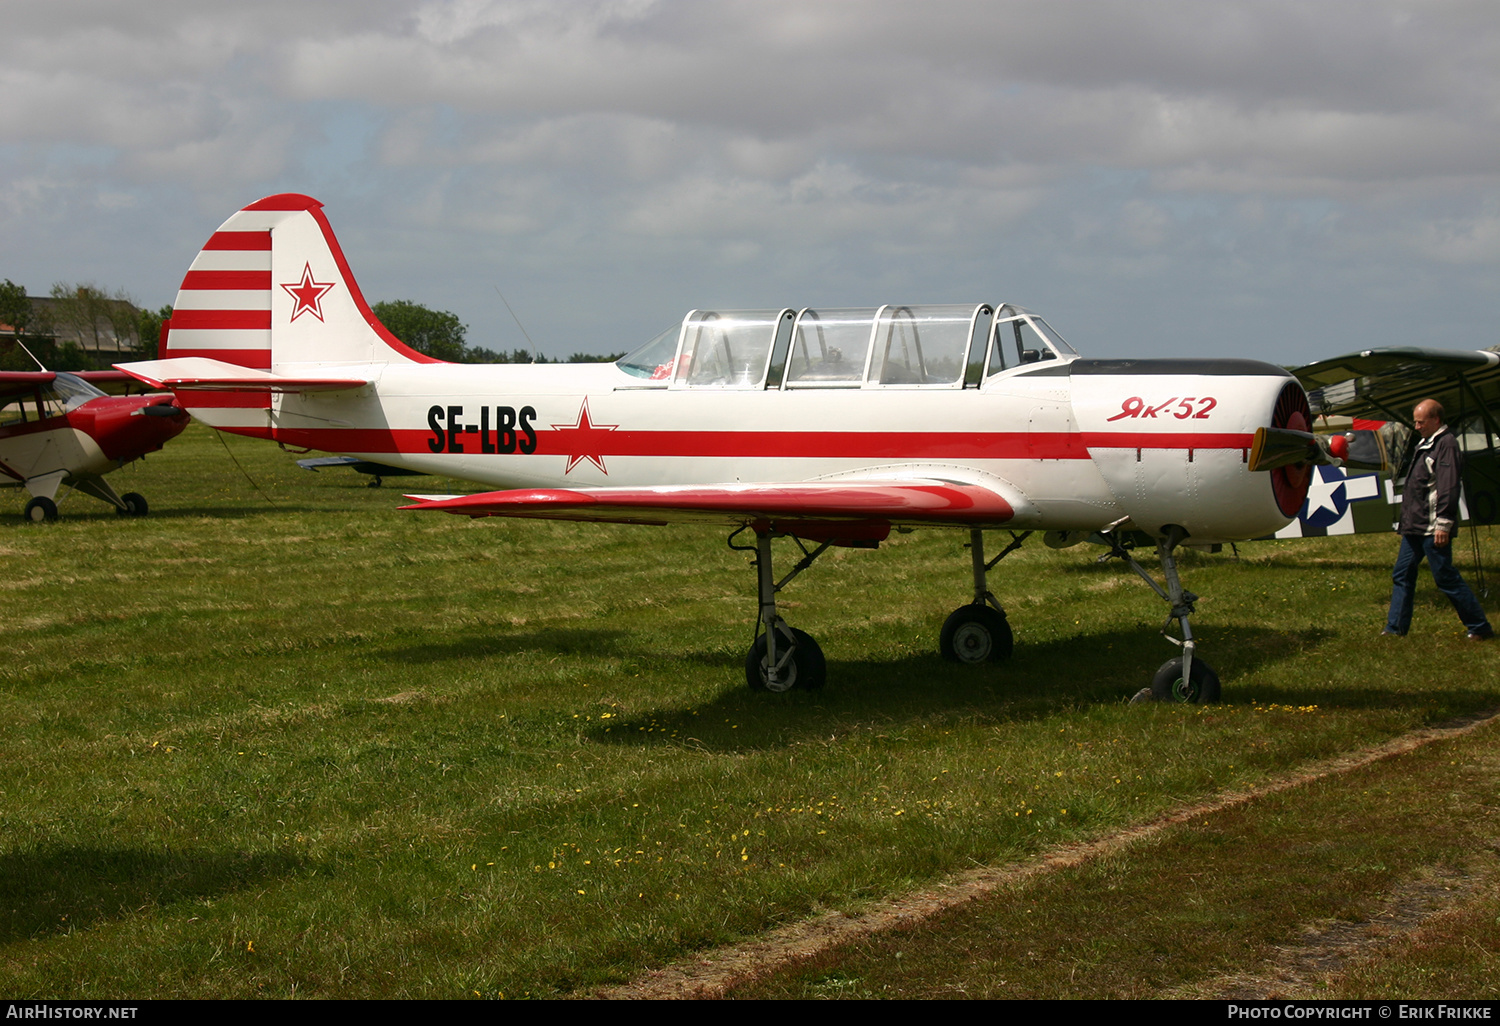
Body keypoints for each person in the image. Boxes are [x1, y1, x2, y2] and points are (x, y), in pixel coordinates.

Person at [1384, 399, 1493, 640]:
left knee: (1445, 578)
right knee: (1402, 574)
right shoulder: (1426, 443)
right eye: (1415, 421)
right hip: (1415, 526)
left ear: (1436, 420)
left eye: (1421, 422)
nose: (1416, 426)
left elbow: (1448, 486)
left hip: (1432, 527)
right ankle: (1395, 630)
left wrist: (1444, 524)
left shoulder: (1446, 444)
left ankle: (1479, 627)